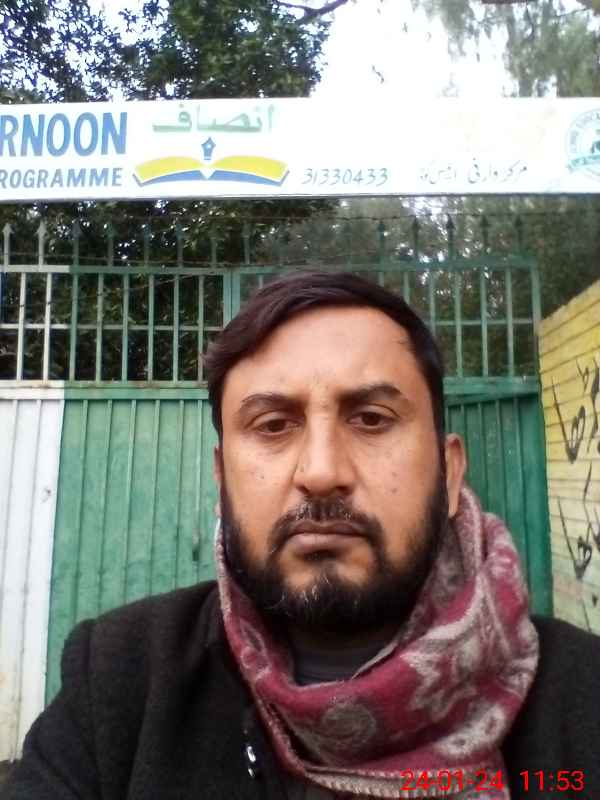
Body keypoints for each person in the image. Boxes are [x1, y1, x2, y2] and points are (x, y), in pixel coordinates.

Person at [5, 270, 600, 800]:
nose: (320, 472)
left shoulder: (584, 696)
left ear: (449, 474)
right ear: (223, 478)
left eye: (371, 419)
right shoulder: (119, 679)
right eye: (272, 425)